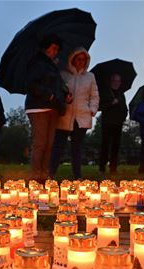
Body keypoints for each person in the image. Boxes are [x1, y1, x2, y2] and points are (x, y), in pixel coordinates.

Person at [25, 34, 71, 183]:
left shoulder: (52, 65)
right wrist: (49, 95)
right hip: (38, 107)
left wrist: (65, 95)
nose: (56, 51)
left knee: (49, 143)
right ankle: (35, 176)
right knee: (41, 142)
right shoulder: (36, 63)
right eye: (54, 48)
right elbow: (32, 85)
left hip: (53, 108)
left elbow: (56, 85)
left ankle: (44, 175)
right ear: (46, 47)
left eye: (58, 49)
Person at [49, 47, 99, 179]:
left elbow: (94, 95)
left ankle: (78, 176)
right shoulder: (64, 74)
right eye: (78, 59)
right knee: (58, 146)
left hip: (81, 117)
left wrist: (92, 110)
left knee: (76, 148)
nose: (81, 62)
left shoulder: (90, 77)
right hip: (65, 115)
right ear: (73, 60)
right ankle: (50, 173)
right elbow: (58, 90)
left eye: (83, 60)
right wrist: (64, 98)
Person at [98, 74, 128, 175]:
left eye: (118, 81)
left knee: (116, 146)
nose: (116, 83)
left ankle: (113, 168)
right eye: (114, 80)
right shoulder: (105, 93)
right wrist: (111, 103)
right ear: (111, 81)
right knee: (105, 145)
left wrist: (123, 117)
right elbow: (100, 106)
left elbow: (125, 107)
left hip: (118, 123)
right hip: (107, 122)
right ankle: (102, 168)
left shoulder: (121, 94)